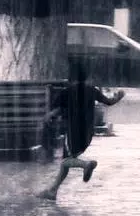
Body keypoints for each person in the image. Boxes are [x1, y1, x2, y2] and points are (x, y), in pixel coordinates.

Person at [38, 61, 125, 200]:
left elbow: (58, 109)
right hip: (88, 133)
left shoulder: (67, 92)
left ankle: (86, 164)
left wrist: (49, 116)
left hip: (74, 132)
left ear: (71, 78)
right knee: (68, 161)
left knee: (66, 160)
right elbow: (109, 102)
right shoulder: (92, 90)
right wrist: (118, 97)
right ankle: (53, 191)